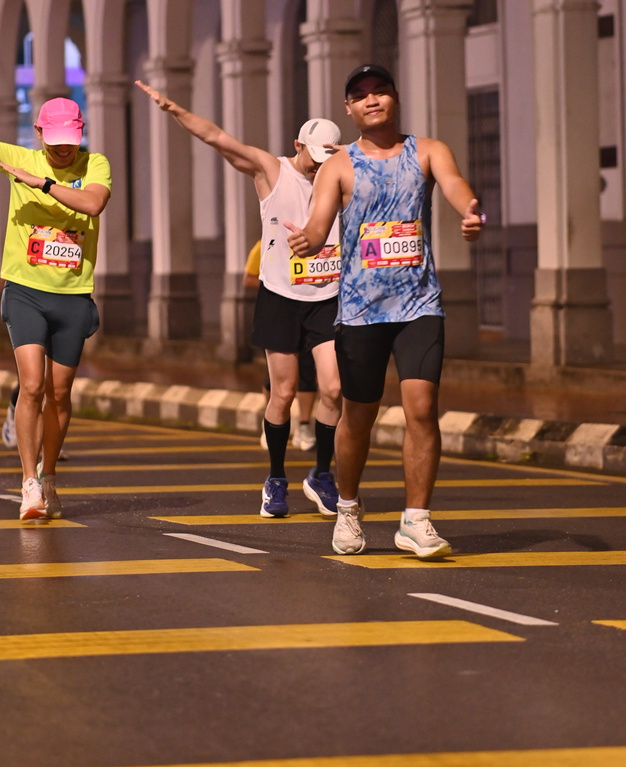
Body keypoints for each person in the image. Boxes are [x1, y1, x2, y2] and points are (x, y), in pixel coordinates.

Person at [286, 64, 484, 558]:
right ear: (349, 108)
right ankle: (347, 507)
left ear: (395, 97)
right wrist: (306, 241)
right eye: (360, 95)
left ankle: (416, 520)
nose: (371, 100)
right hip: (361, 310)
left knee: (422, 408)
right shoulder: (339, 165)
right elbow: (318, 226)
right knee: (359, 416)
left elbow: (455, 184)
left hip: (420, 303)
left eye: (380, 91)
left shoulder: (428, 150)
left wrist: (469, 209)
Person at [136, 79, 342, 518]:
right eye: (314, 159)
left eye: (328, 160)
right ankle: (276, 479)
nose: (318, 169)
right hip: (280, 297)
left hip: (327, 296)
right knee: (283, 392)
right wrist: (174, 109)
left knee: (333, 388)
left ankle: (322, 474)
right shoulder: (272, 171)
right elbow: (218, 138)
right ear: (298, 146)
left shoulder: (340, 176)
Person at [0, 97, 111, 520]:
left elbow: (93, 204)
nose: (63, 148)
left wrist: (41, 183)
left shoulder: (94, 164)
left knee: (60, 394)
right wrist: (26, 173)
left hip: (73, 295)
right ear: (40, 132)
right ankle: (29, 483)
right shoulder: (19, 158)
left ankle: (49, 476)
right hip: (25, 291)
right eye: (54, 139)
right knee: (31, 385)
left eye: (70, 139)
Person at [243, 239, 317, 451]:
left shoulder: (316, 240)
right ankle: (271, 422)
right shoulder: (265, 243)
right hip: (278, 312)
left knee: (307, 371)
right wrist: (278, 283)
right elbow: (248, 279)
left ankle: (304, 425)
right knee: (276, 376)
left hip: (309, 311)